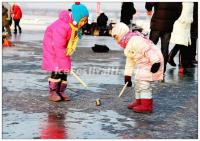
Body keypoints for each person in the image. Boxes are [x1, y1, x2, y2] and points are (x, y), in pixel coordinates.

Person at [112, 22, 164, 113]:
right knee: (137, 80)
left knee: (143, 82)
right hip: (143, 63)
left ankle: (147, 105)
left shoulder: (136, 40)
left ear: (121, 33)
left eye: (116, 37)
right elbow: (130, 62)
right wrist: (127, 76)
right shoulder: (128, 44)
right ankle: (139, 101)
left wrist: (155, 62)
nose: (116, 40)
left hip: (152, 61)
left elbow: (148, 50)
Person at [42, 2, 89, 102]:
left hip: (63, 48)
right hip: (53, 47)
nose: (84, 23)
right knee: (57, 68)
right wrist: (64, 62)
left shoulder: (73, 25)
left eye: (85, 20)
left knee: (65, 70)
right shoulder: (62, 26)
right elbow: (58, 45)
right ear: (76, 17)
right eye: (82, 20)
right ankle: (53, 92)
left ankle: (61, 91)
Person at [145, 2, 182, 72]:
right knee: (165, 48)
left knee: (150, 46)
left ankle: (148, 66)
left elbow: (149, 3)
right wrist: (172, 20)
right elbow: (179, 10)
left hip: (156, 25)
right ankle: (162, 70)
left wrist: (149, 9)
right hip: (168, 26)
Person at [170, 2, 194, 73]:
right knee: (183, 44)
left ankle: (181, 64)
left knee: (183, 44)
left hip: (186, 23)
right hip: (182, 23)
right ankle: (182, 66)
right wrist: (182, 19)